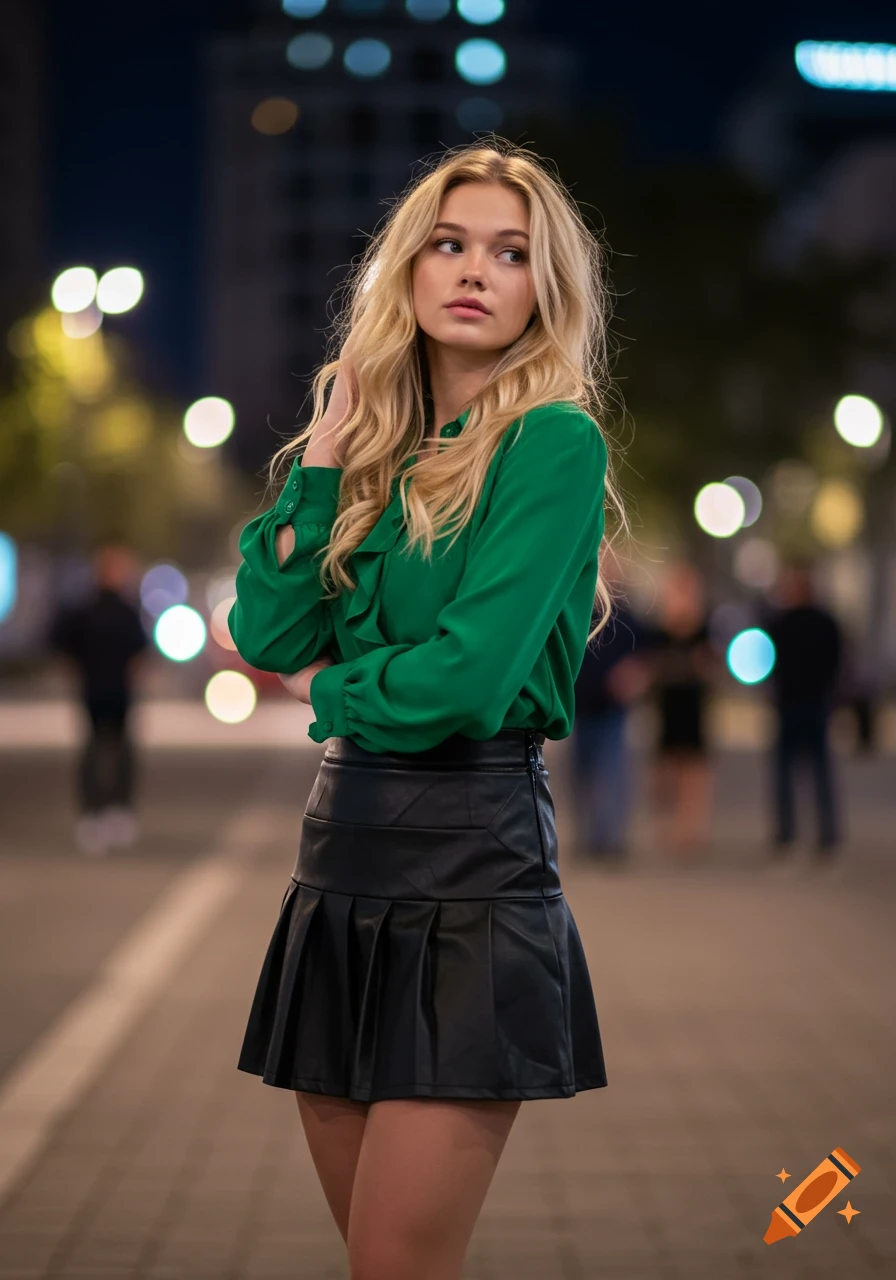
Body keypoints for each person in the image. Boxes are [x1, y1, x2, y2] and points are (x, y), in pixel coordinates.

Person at [228, 142, 623, 1280]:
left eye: (510, 253)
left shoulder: (552, 441)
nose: (473, 271)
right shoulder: (377, 450)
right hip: (337, 871)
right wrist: (324, 453)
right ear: (405, 267)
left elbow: (464, 681)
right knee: (371, 1260)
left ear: (543, 288)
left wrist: (328, 692)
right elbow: (266, 631)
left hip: (469, 867)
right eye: (449, 244)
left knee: (400, 1260)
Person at [50, 543, 147, 855]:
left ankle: (118, 811)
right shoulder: (84, 610)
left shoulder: (127, 609)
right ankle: (92, 813)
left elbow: (141, 652)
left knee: (121, 752)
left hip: (120, 694)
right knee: (93, 752)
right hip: (94, 692)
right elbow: (61, 645)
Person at [571, 552, 649, 862]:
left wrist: (634, 676)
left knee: (612, 772)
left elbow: (645, 652)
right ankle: (591, 836)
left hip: (611, 707)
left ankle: (611, 837)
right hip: (581, 705)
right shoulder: (577, 608)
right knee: (583, 773)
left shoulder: (625, 614)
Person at [766, 563, 843, 856]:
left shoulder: (782, 622)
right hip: (803, 702)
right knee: (812, 771)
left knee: (801, 771)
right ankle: (813, 836)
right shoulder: (809, 622)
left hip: (803, 702)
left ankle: (797, 837)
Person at [648, 562, 716, 858]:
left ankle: (691, 827)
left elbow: (711, 667)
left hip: (694, 707)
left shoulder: (704, 629)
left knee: (694, 769)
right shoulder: (661, 631)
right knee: (667, 769)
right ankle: (669, 824)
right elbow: (652, 667)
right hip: (669, 706)